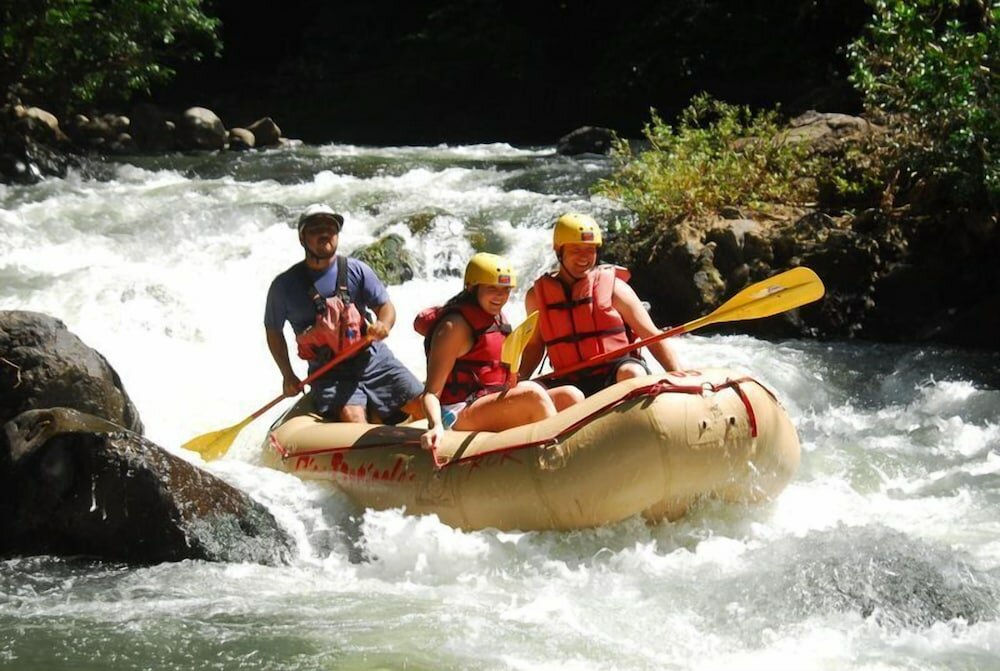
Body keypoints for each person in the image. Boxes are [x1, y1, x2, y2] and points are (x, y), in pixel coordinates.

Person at [264, 203, 423, 423]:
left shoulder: (357, 270)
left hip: (373, 360)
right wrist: (287, 375)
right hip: (329, 372)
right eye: (315, 229)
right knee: (353, 419)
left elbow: (385, 307)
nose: (325, 233)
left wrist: (383, 324)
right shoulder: (283, 286)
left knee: (425, 405)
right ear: (302, 239)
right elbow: (274, 332)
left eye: (330, 228)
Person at [417, 252, 583, 451]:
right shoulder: (454, 326)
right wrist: (435, 426)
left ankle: (579, 453)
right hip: (458, 412)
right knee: (533, 395)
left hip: (487, 401)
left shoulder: (496, 318)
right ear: (472, 287)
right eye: (492, 288)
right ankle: (560, 456)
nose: (500, 296)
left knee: (570, 395)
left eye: (505, 290)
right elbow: (431, 393)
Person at [518, 213, 681, 396]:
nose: (584, 258)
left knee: (631, 372)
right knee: (530, 391)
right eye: (575, 250)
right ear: (558, 250)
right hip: (568, 380)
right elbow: (534, 346)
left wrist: (678, 373)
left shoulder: (615, 288)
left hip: (615, 372)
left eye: (590, 250)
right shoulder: (537, 297)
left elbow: (651, 336)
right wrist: (520, 380)